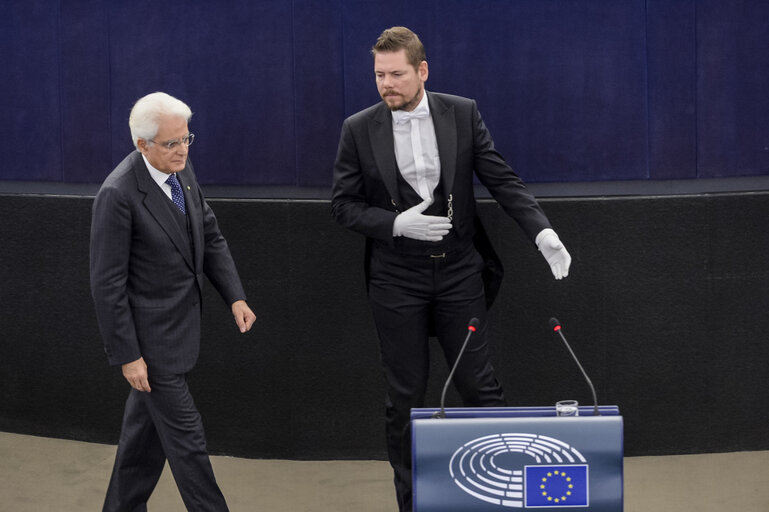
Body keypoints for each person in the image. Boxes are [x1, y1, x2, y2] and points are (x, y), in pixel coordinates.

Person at [331, 27, 571, 511]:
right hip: (396, 277)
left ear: (422, 71)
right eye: (379, 75)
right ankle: (412, 502)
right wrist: (395, 223)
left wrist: (543, 233)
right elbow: (343, 206)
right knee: (404, 397)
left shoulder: (461, 113)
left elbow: (501, 178)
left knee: (479, 387)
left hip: (460, 271)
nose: (386, 84)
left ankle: (498, 495)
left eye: (396, 74)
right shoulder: (358, 127)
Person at [90, 91, 256, 512]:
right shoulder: (118, 193)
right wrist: (128, 355)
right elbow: (107, 284)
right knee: (188, 444)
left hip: (181, 333)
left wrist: (234, 296)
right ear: (142, 145)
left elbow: (210, 236)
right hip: (151, 347)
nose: (182, 149)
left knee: (140, 446)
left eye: (186, 139)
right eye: (171, 143)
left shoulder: (181, 170)